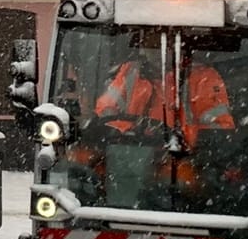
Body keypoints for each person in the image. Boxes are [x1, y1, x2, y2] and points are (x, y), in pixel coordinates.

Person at [80, 43, 236, 196]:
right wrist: (132, 129)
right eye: (151, 40)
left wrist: (176, 137)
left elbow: (219, 130)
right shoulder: (131, 71)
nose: (156, 50)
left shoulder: (203, 77)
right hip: (127, 150)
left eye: (166, 44)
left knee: (182, 181)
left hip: (177, 157)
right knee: (79, 164)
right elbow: (105, 111)